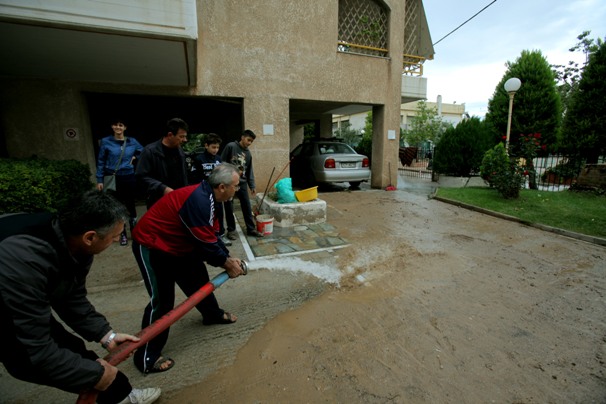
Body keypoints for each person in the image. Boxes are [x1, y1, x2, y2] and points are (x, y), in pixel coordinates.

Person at [0, 190, 160, 404]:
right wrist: (93, 375)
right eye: (114, 238)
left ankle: (121, 396)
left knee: (73, 351)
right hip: (8, 298)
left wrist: (106, 335)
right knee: (38, 356)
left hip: (17, 297)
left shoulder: (72, 240)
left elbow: (70, 295)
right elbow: (33, 351)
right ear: (90, 237)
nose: (115, 242)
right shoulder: (22, 261)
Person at [131, 163, 246, 374]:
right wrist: (226, 263)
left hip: (180, 245)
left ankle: (211, 315)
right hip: (153, 245)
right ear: (222, 186)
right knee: (162, 301)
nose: (237, 190)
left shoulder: (212, 198)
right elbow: (206, 246)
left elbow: (212, 237)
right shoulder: (199, 201)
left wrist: (228, 258)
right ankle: (146, 354)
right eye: (236, 186)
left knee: (198, 279)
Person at [95, 119, 144, 246]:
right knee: (116, 205)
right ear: (112, 126)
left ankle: (134, 231)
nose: (118, 127)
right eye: (115, 125)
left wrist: (135, 157)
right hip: (112, 177)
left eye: (121, 125)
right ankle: (121, 233)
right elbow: (101, 161)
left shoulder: (132, 141)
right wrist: (99, 179)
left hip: (128, 176)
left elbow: (143, 152)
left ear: (125, 127)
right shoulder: (106, 141)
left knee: (130, 204)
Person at [135, 117, 189, 209]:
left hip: (178, 200)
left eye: (185, 136)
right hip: (158, 201)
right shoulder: (150, 151)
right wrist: (162, 188)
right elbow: (141, 176)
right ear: (170, 135)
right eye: (181, 136)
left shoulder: (180, 151)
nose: (185, 140)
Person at [221, 129, 263, 239]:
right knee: (229, 207)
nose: (249, 143)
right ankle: (231, 230)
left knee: (246, 206)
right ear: (242, 137)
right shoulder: (230, 146)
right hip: (229, 183)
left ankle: (251, 229)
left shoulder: (248, 154)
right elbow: (222, 163)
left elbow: (249, 171)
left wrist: (252, 185)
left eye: (251, 142)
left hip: (242, 183)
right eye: (248, 140)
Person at [190, 133, 231, 246]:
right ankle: (206, 237)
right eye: (213, 147)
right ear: (206, 145)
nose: (216, 150)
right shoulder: (198, 159)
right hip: (203, 194)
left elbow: (223, 176)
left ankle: (221, 236)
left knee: (219, 215)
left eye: (217, 147)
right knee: (206, 216)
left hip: (217, 194)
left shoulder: (218, 159)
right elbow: (194, 178)